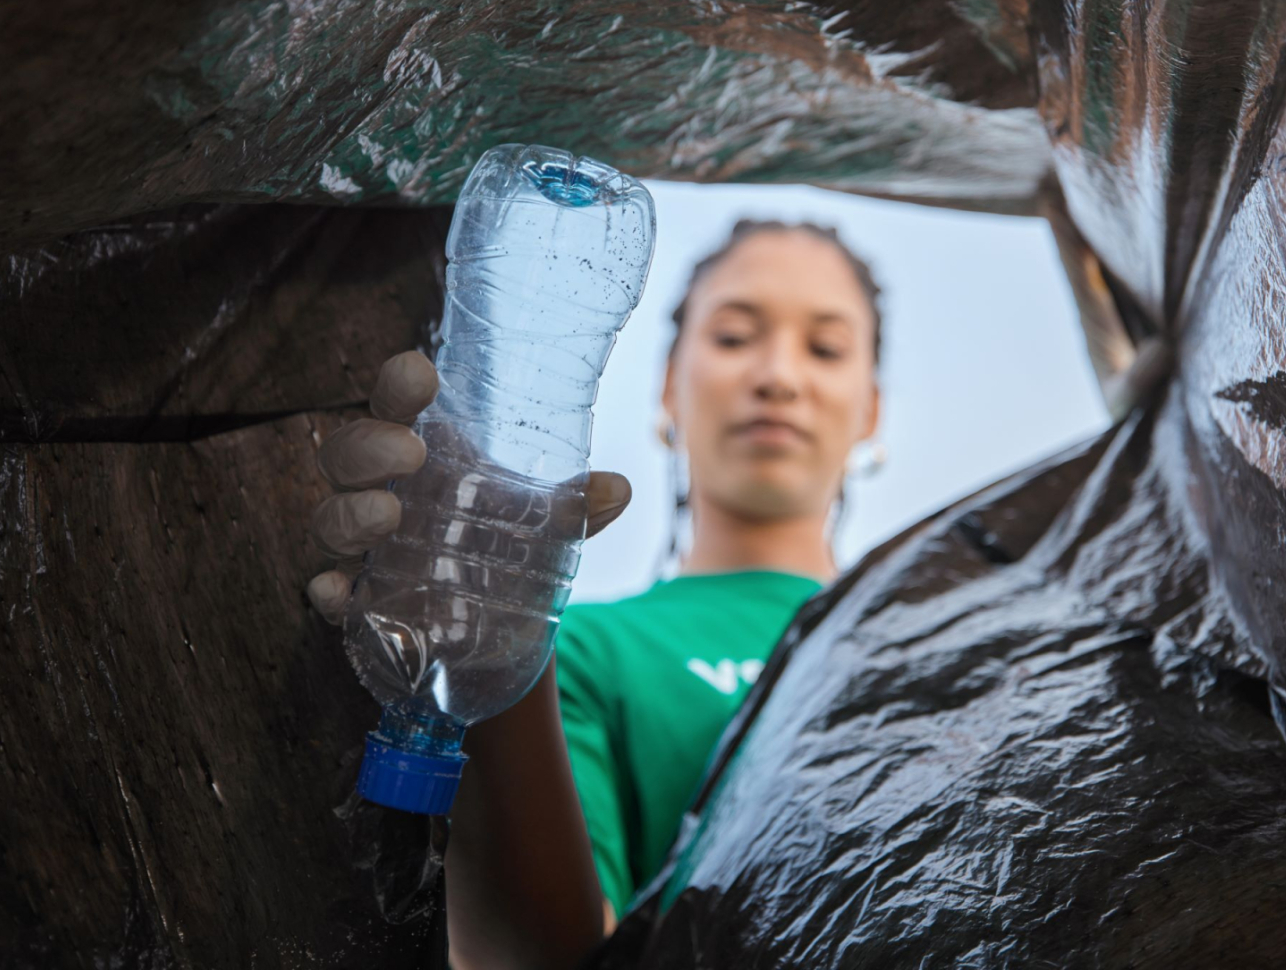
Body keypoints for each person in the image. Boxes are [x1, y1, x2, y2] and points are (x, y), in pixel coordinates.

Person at [306, 219, 885, 969]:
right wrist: (492, 658)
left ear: (870, 410)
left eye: (825, 348)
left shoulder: (952, 645)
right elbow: (547, 955)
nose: (778, 375)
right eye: (735, 337)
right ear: (669, 391)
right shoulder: (572, 653)